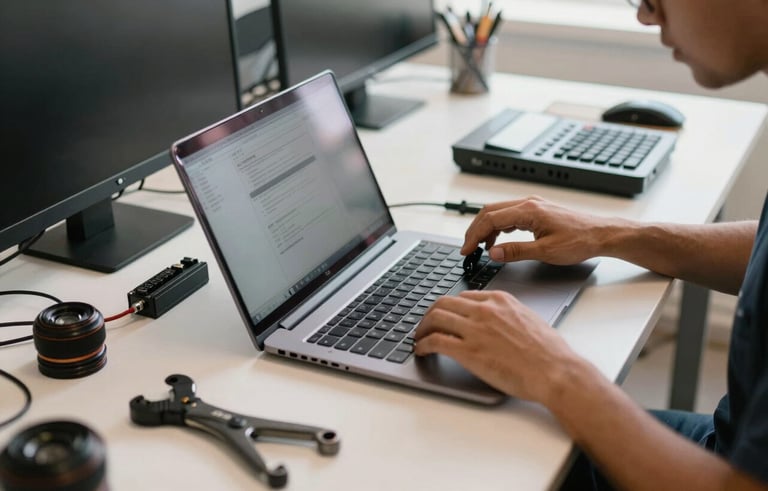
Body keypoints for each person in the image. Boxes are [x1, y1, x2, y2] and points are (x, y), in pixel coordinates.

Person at [413, 1, 768, 489]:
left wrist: (555, 371)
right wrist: (610, 234)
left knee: (472, 451)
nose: (646, 16)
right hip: (726, 447)